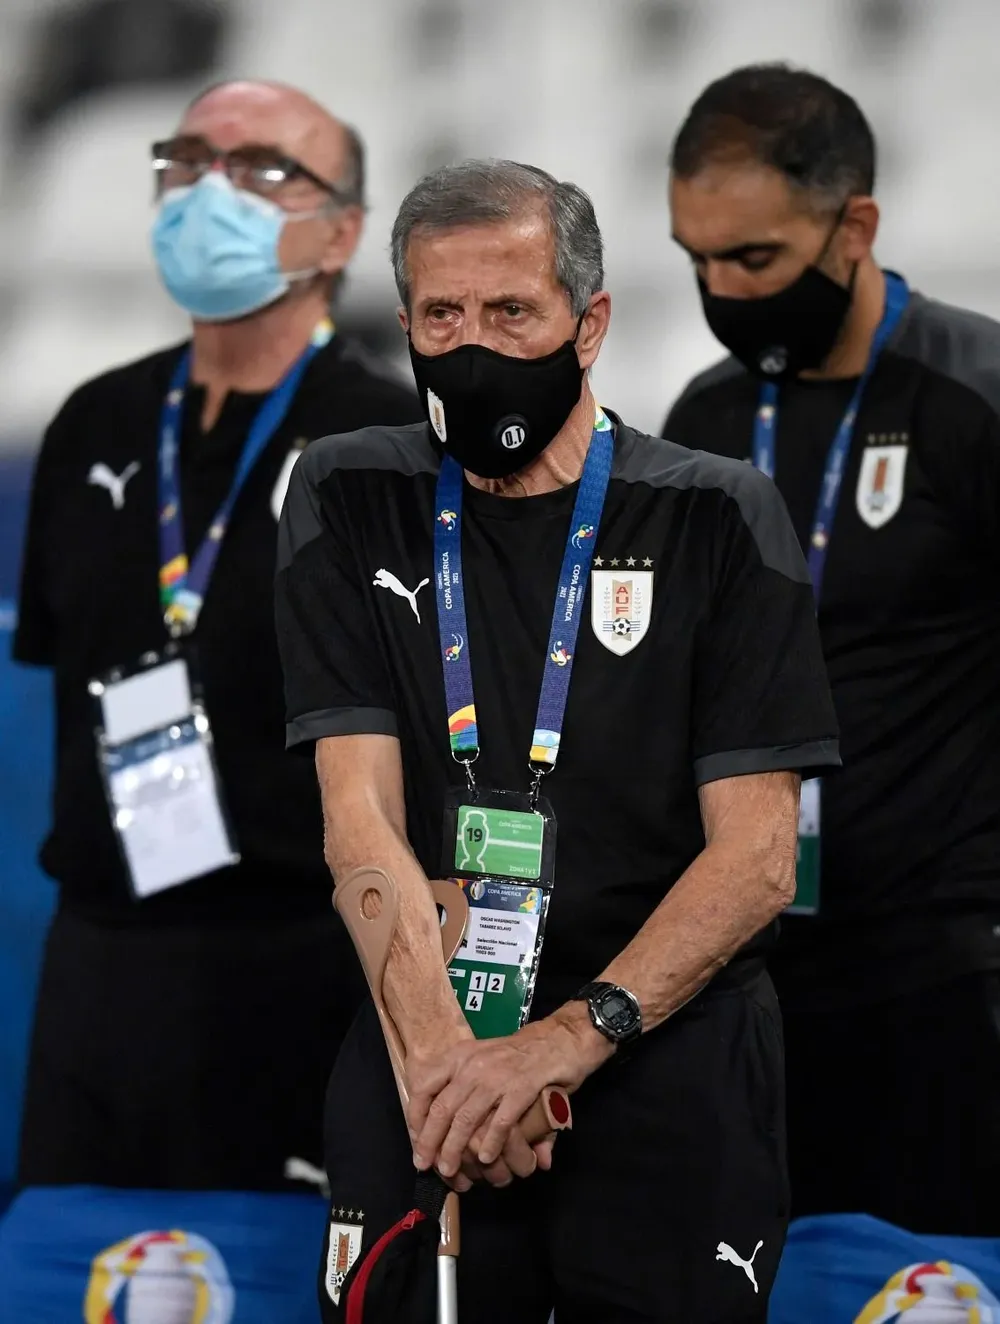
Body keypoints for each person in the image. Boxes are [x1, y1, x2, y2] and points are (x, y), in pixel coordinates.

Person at [275, 158, 839, 1322]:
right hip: (422, 1037)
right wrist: (454, 1075)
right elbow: (358, 818)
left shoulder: (717, 512)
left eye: (509, 311)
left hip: (659, 1049)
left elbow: (758, 861)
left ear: (588, 326)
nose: (470, 342)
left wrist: (557, 1050)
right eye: (441, 313)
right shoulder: (347, 490)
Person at [12, 79, 422, 1191]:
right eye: (187, 159)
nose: (209, 190)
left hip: (299, 957)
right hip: (101, 954)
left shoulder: (385, 439)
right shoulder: (93, 420)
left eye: (260, 168)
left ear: (339, 230)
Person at [663, 64, 1000, 1235]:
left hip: (950, 976)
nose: (720, 290)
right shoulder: (704, 421)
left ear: (853, 224)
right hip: (754, 975)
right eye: (694, 260)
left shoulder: (978, 395)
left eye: (750, 260)